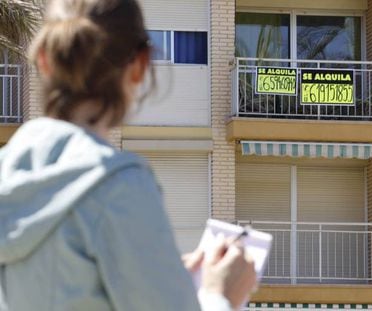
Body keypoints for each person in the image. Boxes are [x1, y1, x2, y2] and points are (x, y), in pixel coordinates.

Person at [0, 0, 257, 310]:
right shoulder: (118, 185)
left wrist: (161, 275)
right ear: (139, 66)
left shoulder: (8, 171)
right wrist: (222, 294)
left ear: (43, 61)